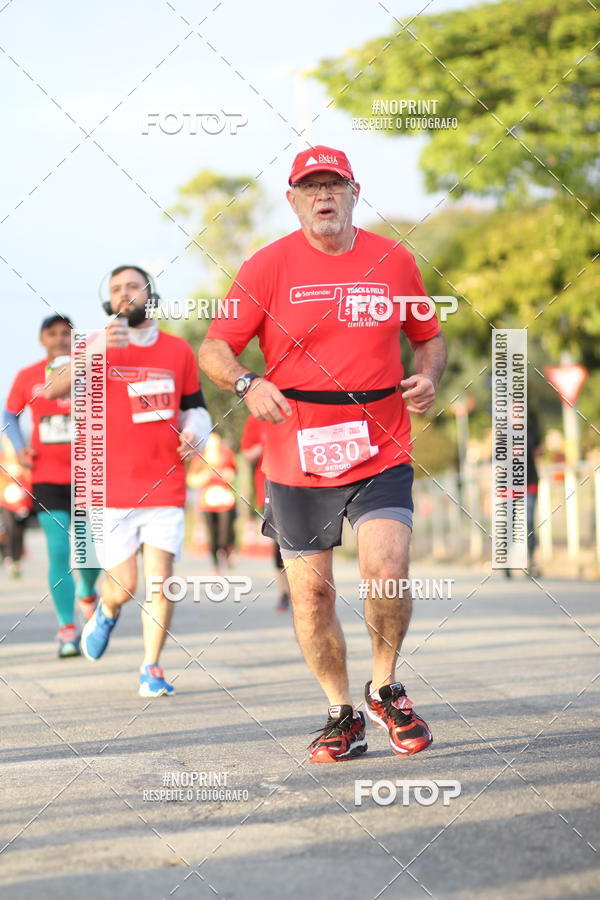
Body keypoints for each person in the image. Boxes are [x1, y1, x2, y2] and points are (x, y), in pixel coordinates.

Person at [199, 145, 447, 761]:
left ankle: (385, 688)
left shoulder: (392, 259)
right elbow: (214, 347)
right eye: (310, 187)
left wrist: (429, 377)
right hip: (295, 450)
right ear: (293, 200)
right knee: (312, 595)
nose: (322, 195)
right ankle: (342, 712)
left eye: (333, 184)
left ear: (354, 191)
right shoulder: (265, 267)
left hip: (379, 439)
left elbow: (429, 336)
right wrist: (246, 384)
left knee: (386, 569)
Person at [45, 266, 212, 696]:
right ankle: (107, 609)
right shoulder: (94, 347)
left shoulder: (178, 350)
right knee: (126, 585)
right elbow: (53, 391)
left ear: (149, 295)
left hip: (166, 483)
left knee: (160, 578)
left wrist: (196, 432)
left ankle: (150, 667)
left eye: (132, 286)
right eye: (116, 288)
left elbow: (195, 407)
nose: (124, 294)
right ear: (108, 301)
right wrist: (92, 349)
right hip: (113, 489)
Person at [3, 315, 101, 657]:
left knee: (90, 554)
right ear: (42, 338)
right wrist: (19, 448)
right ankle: (67, 628)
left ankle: (88, 592)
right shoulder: (28, 376)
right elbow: (8, 415)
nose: (60, 339)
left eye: (66, 333)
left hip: (89, 475)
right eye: (53, 333)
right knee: (59, 550)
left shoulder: (91, 370)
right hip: (46, 478)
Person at [240, 414, 289, 611]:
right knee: (279, 542)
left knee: (303, 541)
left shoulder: (293, 410)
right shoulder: (255, 419)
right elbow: (246, 453)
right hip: (268, 489)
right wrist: (259, 449)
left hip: (302, 486)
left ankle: (304, 588)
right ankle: (284, 591)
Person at [187, 432, 237, 572]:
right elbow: (191, 480)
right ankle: (215, 565)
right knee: (212, 534)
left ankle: (227, 551)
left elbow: (232, 474)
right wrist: (206, 475)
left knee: (225, 532)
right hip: (207, 502)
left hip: (225, 500)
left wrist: (226, 474)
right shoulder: (200, 458)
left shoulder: (227, 455)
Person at [0, 446, 33, 578]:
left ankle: (17, 558)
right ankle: (8, 556)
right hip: (5, 500)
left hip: (21, 501)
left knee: (19, 531)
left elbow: (28, 477)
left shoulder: (23, 457)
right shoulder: (3, 459)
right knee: (9, 529)